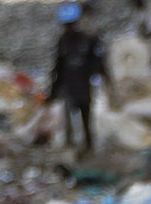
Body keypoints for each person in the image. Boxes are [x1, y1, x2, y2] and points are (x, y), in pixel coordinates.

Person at [48, 2, 104, 154]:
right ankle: (72, 147)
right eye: (66, 25)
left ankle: (88, 146)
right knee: (69, 119)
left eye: (71, 24)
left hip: (83, 85)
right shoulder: (63, 41)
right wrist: (53, 91)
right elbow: (58, 66)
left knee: (86, 117)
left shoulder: (88, 40)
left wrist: (98, 79)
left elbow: (98, 63)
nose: (69, 28)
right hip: (69, 86)